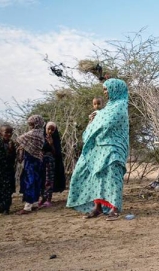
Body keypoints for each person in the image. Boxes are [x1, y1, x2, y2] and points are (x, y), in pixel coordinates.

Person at [67, 79, 129, 221]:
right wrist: (93, 119)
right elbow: (99, 121)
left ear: (116, 89)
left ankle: (114, 208)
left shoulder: (120, 106)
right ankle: (98, 207)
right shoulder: (107, 108)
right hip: (100, 147)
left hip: (114, 147)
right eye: (104, 89)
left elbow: (107, 123)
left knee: (112, 176)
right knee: (97, 175)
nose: (105, 92)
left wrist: (98, 116)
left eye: (107, 89)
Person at [16, 115, 45, 215]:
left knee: (29, 182)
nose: (30, 125)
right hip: (38, 161)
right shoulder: (41, 133)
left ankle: (28, 206)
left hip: (31, 162)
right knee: (36, 182)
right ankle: (35, 203)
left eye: (31, 123)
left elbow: (19, 139)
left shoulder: (31, 134)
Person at [38, 121, 66, 208]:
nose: (50, 131)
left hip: (50, 162)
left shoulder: (55, 139)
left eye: (52, 130)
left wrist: (51, 144)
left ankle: (48, 199)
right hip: (41, 161)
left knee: (49, 180)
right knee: (42, 179)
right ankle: (43, 198)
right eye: (48, 129)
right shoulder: (41, 137)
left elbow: (56, 153)